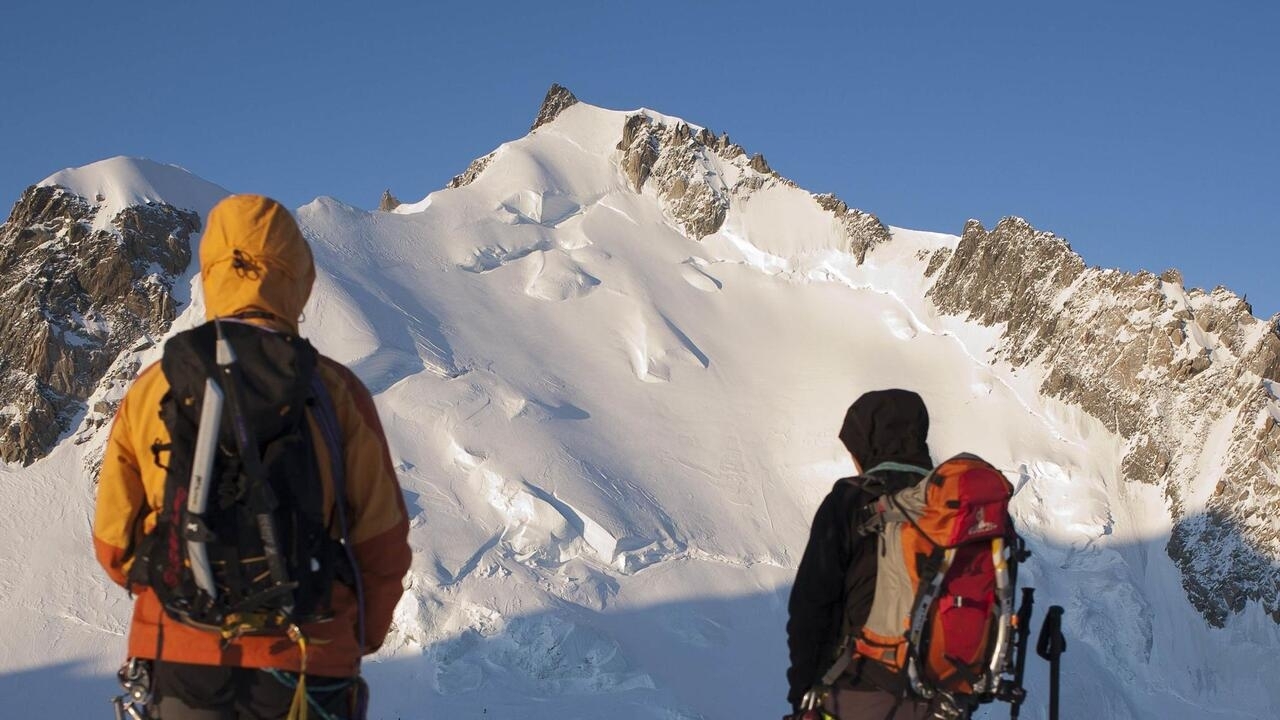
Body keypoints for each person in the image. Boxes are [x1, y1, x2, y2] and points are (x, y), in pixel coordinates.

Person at [93, 194, 412, 719]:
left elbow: (114, 545)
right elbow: (382, 542)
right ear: (298, 277)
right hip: (309, 663)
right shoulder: (334, 391)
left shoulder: (154, 388)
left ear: (210, 272)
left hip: (180, 661)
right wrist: (351, 637)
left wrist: (181, 582)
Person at [786, 389, 936, 719]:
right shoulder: (955, 507)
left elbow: (810, 610)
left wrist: (802, 696)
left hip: (858, 691)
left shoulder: (850, 502)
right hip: (944, 699)